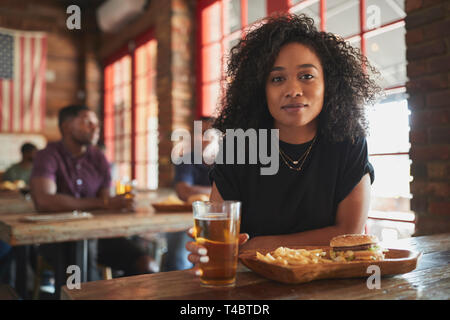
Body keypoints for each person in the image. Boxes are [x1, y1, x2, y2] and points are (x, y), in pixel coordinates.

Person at [186, 14, 382, 272]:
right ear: (260, 90)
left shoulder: (349, 142)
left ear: (329, 84)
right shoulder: (238, 147)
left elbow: (349, 232)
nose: (293, 90)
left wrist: (259, 244)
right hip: (252, 284)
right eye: (277, 79)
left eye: (307, 76)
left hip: (329, 284)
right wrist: (205, 249)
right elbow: (217, 231)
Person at [30, 105, 157, 282]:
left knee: (147, 264)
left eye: (96, 123)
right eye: (87, 122)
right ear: (67, 126)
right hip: (58, 238)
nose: (96, 128)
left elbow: (107, 202)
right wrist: (103, 203)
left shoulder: (99, 158)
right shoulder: (48, 155)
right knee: (79, 274)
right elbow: (44, 201)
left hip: (98, 236)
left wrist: (121, 205)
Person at [161, 117, 214, 272]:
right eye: (201, 133)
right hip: (187, 219)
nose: (206, 138)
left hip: (219, 220)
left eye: (211, 133)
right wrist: (218, 191)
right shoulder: (187, 159)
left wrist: (199, 191)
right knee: (178, 261)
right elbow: (184, 192)